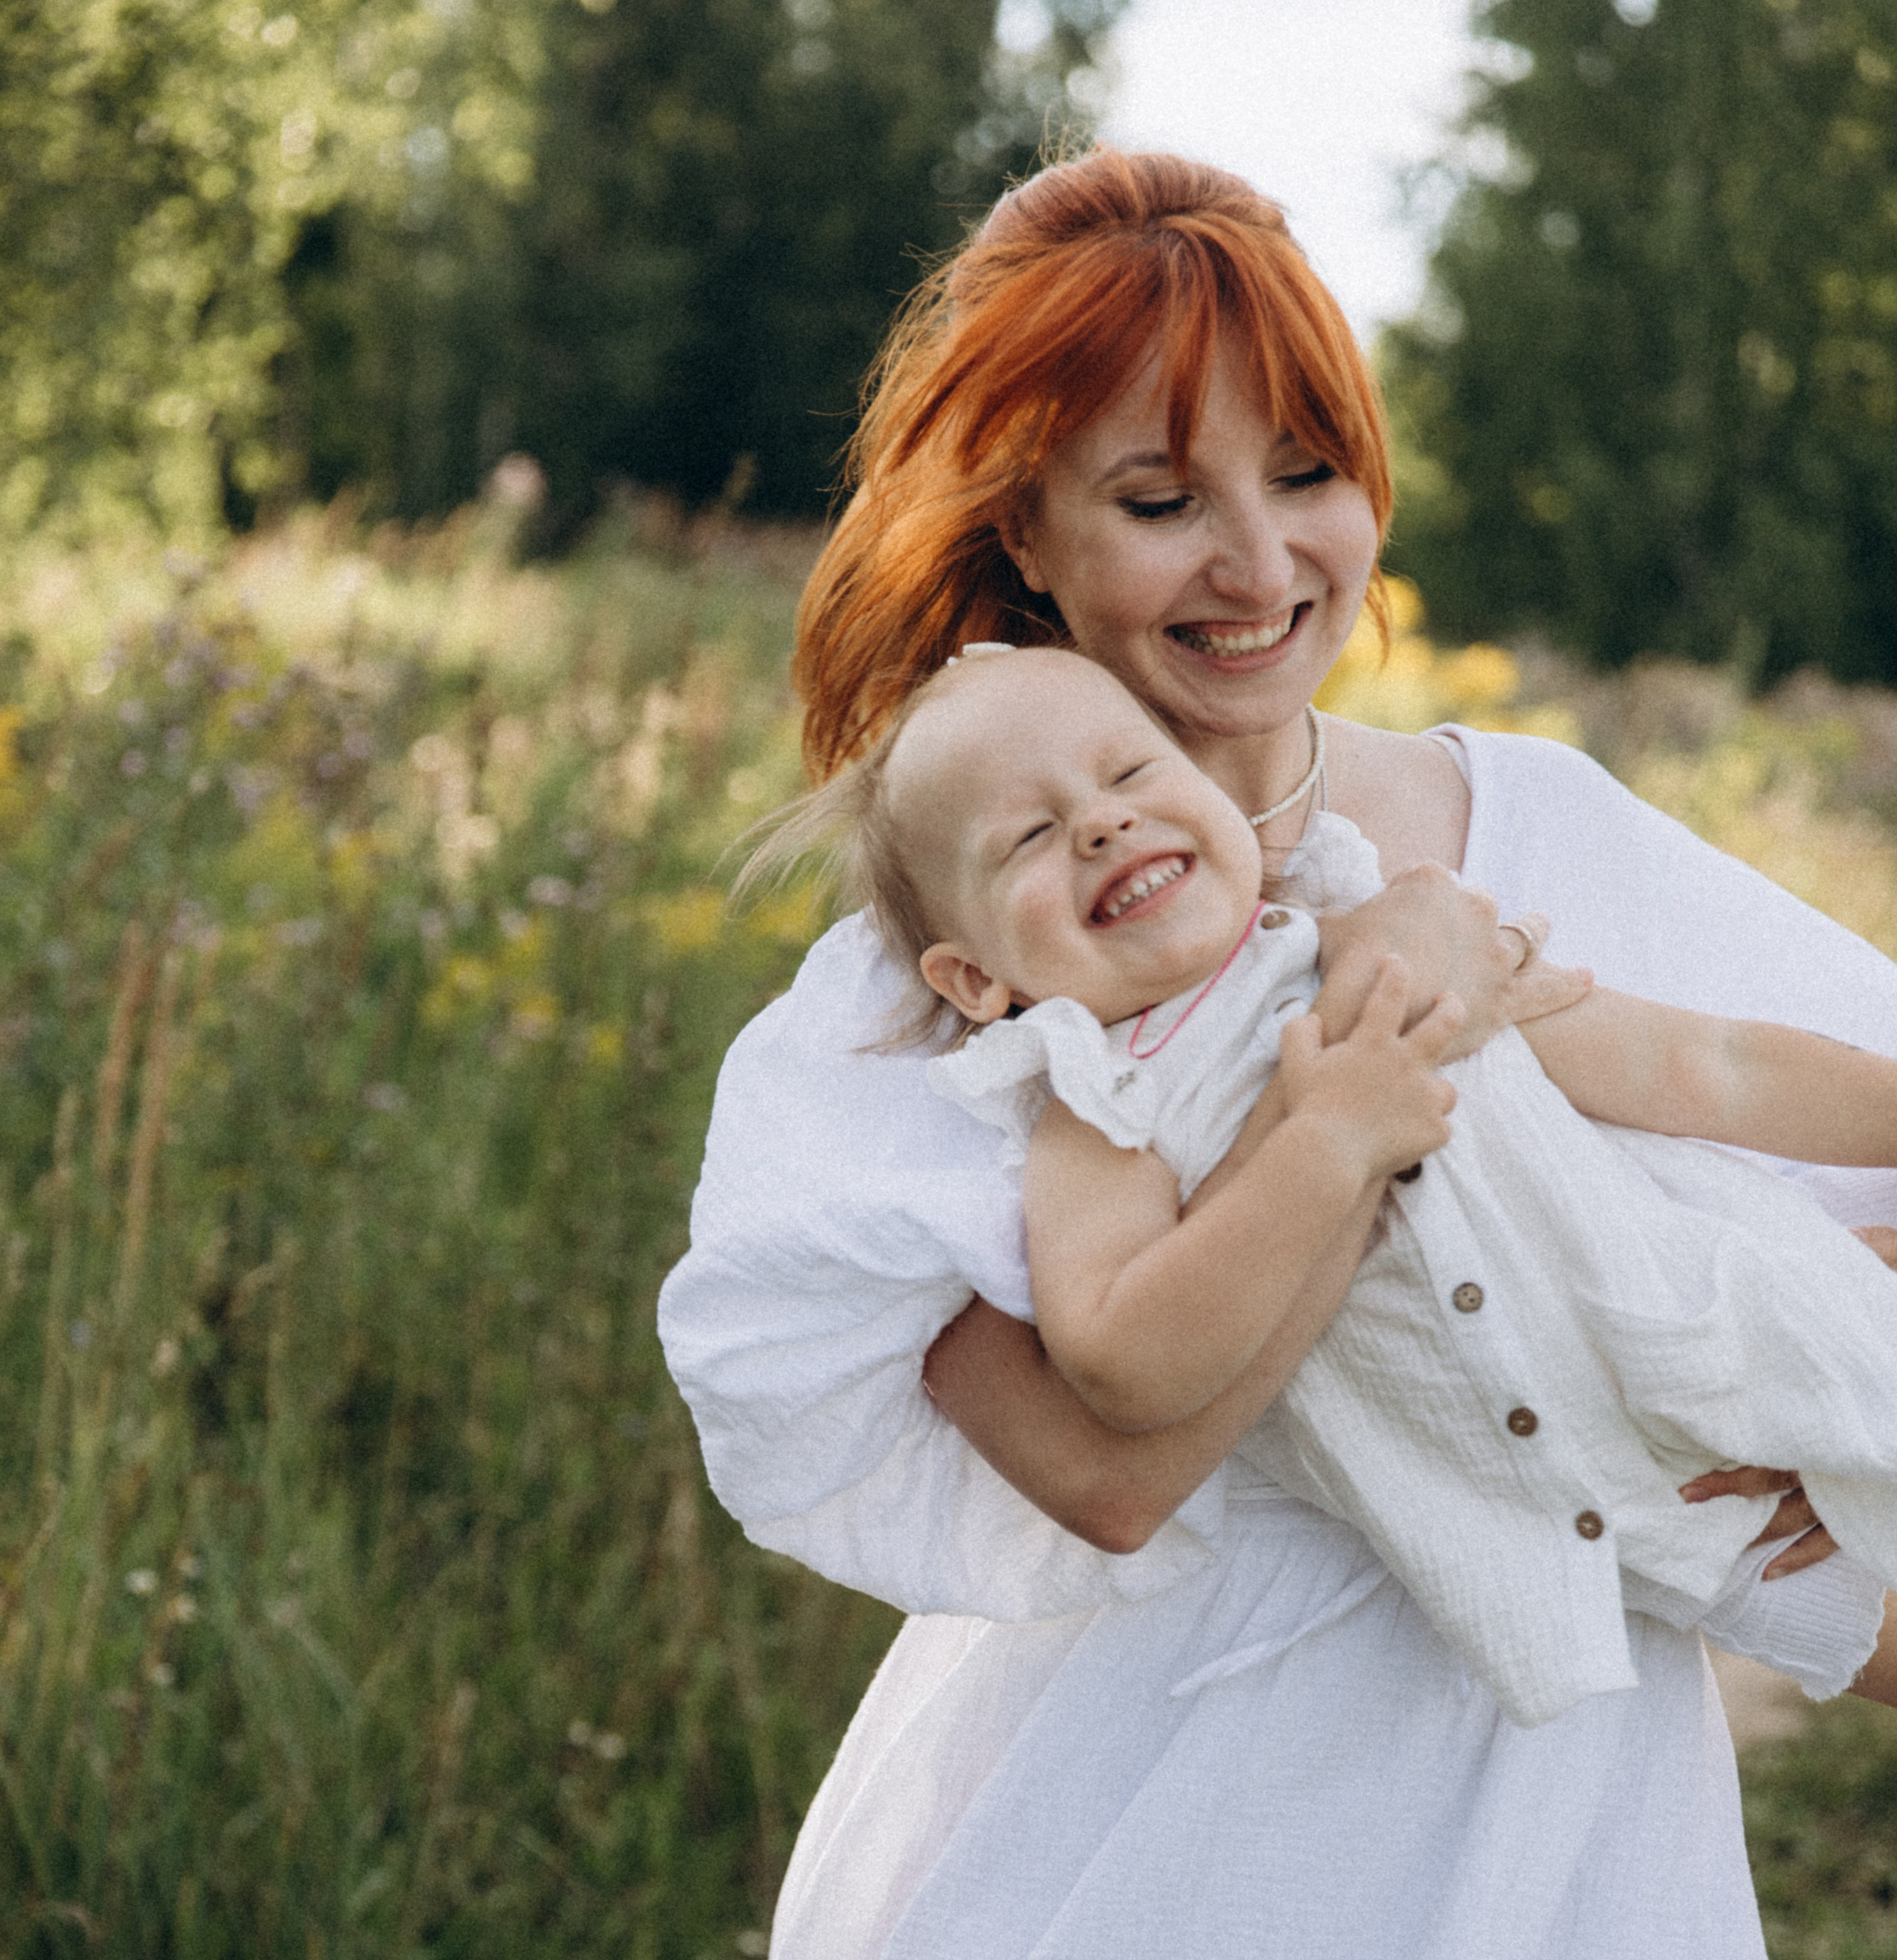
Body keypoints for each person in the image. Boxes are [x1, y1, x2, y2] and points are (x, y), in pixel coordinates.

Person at [653, 150, 1897, 1960]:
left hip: (1550, 1809)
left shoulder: (1527, 835)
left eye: (1307, 473)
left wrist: (1755, 1399)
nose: (1259, 564)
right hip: (1159, 1822)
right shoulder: (949, 986)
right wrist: (1354, 1117)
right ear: (1026, 531)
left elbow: (1796, 1097)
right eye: (1159, 501)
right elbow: (1106, 1468)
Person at [782, 637, 1897, 1728]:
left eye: (1132, 773)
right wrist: (1327, 1145)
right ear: (973, 979)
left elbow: (1704, 1068)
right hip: (1607, 1535)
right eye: (1028, 836)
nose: (1101, 823)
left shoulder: (1396, 949)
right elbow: (1125, 1366)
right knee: (1812, 1603)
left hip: (1750, 1322)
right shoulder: (1100, 1113)